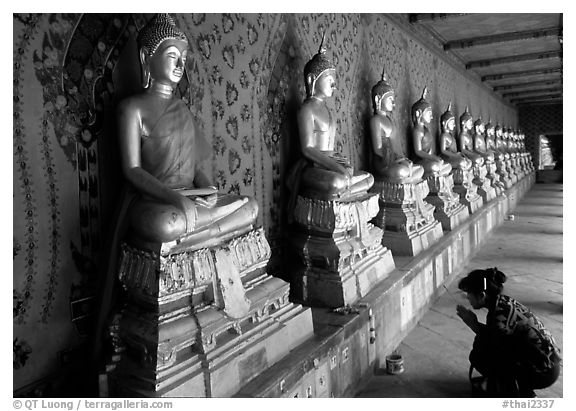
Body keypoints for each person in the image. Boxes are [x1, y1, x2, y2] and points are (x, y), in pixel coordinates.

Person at [456, 268, 561, 397]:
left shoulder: (499, 316)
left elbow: (495, 346)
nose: (467, 298)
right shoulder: (502, 301)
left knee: (480, 357)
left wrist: (474, 324)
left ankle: (520, 394)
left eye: (469, 293)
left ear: (482, 295)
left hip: (543, 371)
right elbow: (498, 338)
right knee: (482, 349)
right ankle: (516, 386)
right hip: (549, 363)